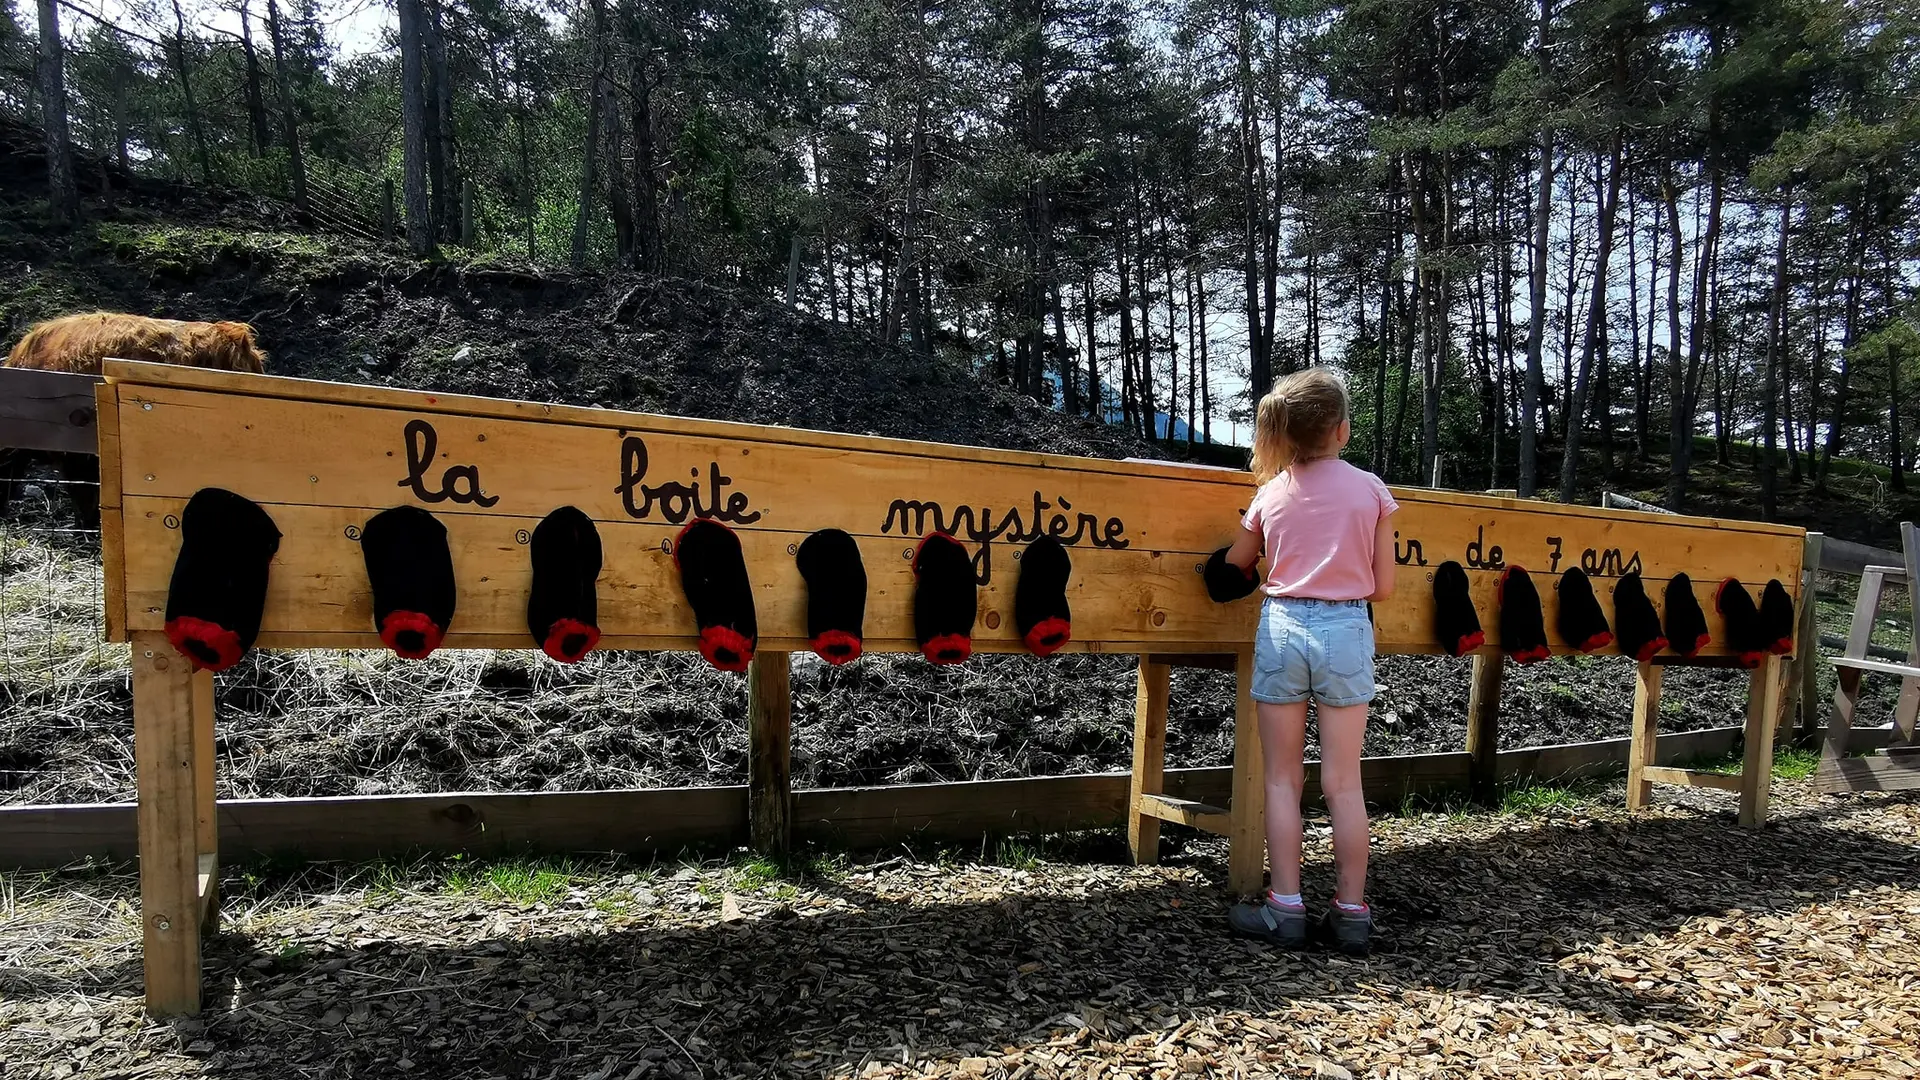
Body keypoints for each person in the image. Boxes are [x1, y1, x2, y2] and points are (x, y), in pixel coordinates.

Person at [1221, 367, 1397, 956]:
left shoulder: (1270, 494)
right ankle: (1350, 913)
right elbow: (1385, 586)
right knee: (1344, 782)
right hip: (1347, 627)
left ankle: (1285, 908)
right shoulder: (1372, 491)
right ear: (1342, 431)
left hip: (1284, 625)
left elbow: (1235, 563)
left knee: (1281, 780)